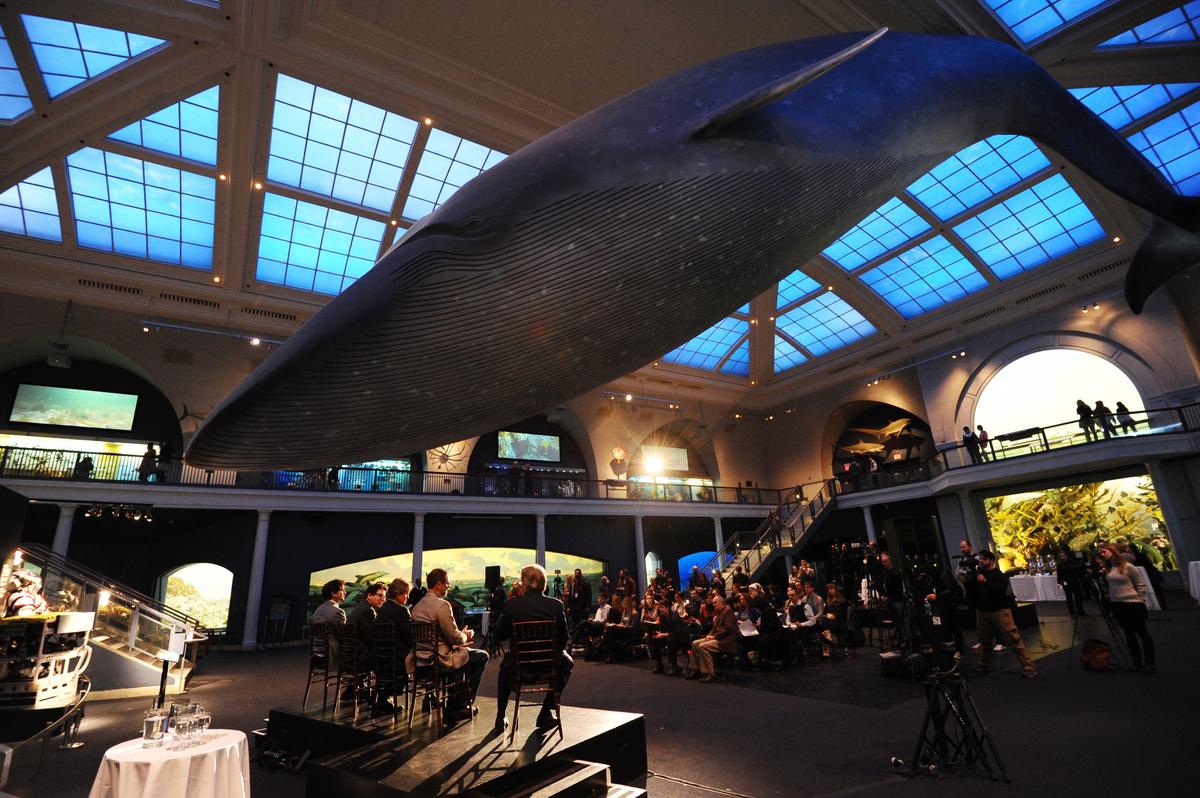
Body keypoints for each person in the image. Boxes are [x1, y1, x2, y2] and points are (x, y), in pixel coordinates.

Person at [493, 564, 573, 732]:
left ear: (526, 583)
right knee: (567, 662)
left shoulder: (512, 605)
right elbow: (563, 640)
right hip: (549, 667)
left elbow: (499, 635)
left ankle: (500, 716)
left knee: (505, 666)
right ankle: (545, 712)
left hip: (518, 668)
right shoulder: (556, 606)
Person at [411, 568, 489, 722]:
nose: (449, 585)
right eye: (447, 582)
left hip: (420, 659)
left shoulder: (417, 606)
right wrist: (465, 635)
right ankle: (460, 706)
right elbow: (454, 638)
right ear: (439, 584)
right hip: (439, 659)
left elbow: (442, 635)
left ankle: (455, 704)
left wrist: (458, 636)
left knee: (462, 655)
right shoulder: (442, 605)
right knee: (481, 656)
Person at [971, 551, 1037, 678]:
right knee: (984, 640)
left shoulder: (998, 575)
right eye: (980, 559)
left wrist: (985, 581)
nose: (981, 562)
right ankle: (984, 663)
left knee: (1013, 638)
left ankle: (1028, 666)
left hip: (999, 611)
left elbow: (1000, 591)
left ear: (991, 561)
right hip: (983, 612)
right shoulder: (978, 575)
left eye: (984, 559)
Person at [1099, 543, 1155, 672]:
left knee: (1142, 632)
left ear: (1113, 551)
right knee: (1128, 634)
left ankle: (1150, 662)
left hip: (1132, 603)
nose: (1102, 555)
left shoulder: (1128, 567)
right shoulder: (1108, 568)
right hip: (1117, 604)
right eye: (1101, 553)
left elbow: (1140, 584)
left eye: (1104, 552)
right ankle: (1137, 662)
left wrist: (1141, 600)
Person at [685, 592, 736, 683]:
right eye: (713, 603)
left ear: (721, 602)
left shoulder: (727, 611)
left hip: (726, 640)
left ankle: (709, 673)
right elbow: (714, 628)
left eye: (715, 602)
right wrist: (709, 635)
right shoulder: (720, 612)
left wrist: (714, 636)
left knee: (703, 646)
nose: (713, 604)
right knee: (695, 643)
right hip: (718, 638)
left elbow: (728, 629)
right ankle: (695, 669)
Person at [650, 597, 691, 674]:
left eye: (662, 607)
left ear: (667, 607)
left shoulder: (674, 616)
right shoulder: (662, 617)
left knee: (670, 640)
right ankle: (659, 665)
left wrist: (664, 634)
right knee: (655, 640)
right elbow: (663, 630)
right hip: (670, 636)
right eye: (659, 607)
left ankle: (674, 665)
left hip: (681, 637)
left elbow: (677, 632)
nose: (660, 609)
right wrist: (658, 634)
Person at [311, 579, 347, 662]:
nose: (345, 593)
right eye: (342, 590)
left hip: (317, 651)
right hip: (331, 652)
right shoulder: (338, 611)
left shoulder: (318, 610)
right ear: (333, 593)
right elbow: (344, 634)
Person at [1055, 550, 1087, 617]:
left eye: (1063, 556)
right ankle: (1072, 612)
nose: (1062, 557)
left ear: (1066, 555)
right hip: (1066, 582)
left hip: (1074, 581)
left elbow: (1078, 568)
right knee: (1069, 598)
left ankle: (1080, 611)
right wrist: (1059, 582)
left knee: (1078, 597)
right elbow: (1059, 574)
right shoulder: (1060, 564)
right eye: (1061, 556)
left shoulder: (1071, 561)